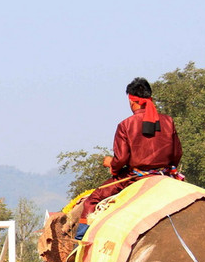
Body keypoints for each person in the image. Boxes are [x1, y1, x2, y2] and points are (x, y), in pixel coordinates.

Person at [76, 77, 183, 239]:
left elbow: (121, 160)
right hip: (165, 175)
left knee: (93, 200)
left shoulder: (125, 125)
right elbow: (177, 153)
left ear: (132, 101)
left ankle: (80, 241)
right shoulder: (168, 121)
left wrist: (111, 164)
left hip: (134, 178)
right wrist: (167, 169)